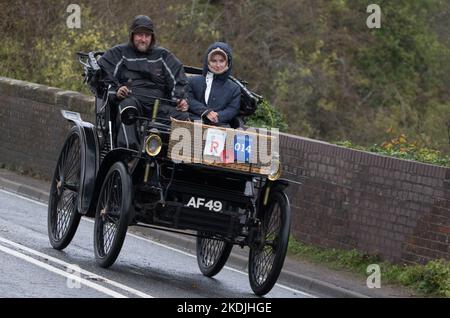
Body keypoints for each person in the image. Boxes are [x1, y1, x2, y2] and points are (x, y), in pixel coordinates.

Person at [98, 15, 189, 150]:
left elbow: (178, 78)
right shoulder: (119, 53)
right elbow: (104, 73)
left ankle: (174, 162)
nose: (143, 39)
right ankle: (127, 154)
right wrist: (117, 90)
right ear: (132, 35)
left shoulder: (163, 55)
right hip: (132, 100)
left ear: (152, 38)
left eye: (147, 35)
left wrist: (180, 99)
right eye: (140, 35)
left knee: (183, 118)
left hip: (158, 105)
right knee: (127, 107)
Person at [187, 42, 240, 127]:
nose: (218, 65)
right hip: (192, 122)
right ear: (207, 62)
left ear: (228, 63)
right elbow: (188, 98)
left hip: (220, 127)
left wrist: (217, 116)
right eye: (214, 61)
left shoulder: (234, 88)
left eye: (222, 61)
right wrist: (205, 112)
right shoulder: (193, 81)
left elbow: (232, 109)